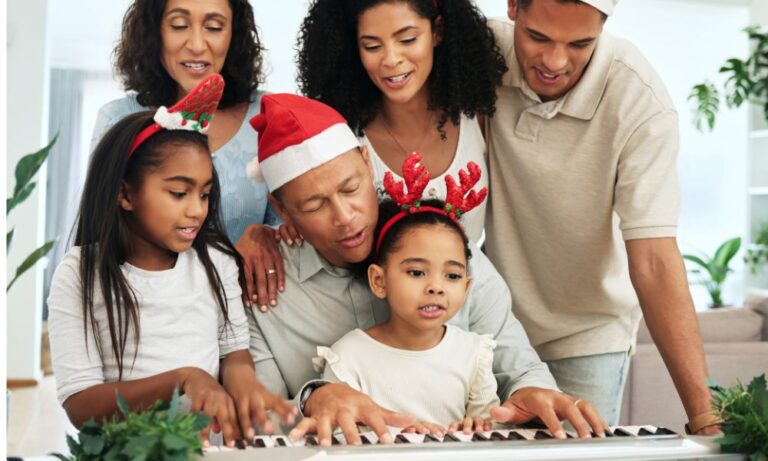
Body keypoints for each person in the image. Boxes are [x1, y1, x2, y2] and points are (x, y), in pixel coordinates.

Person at [245, 93, 608, 447]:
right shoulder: (262, 285)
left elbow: (519, 368)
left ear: (368, 162)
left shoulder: (448, 254)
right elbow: (263, 422)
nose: (345, 217)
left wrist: (533, 394)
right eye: (314, 205)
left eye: (351, 188)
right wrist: (313, 401)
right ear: (281, 209)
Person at [484, 0, 720, 433]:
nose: (555, 62)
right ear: (513, 6)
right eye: (537, 37)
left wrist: (704, 415)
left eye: (579, 44)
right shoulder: (478, 53)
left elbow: (653, 259)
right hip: (490, 327)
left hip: (588, 333)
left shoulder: (639, 100)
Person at [48, 75, 295, 447]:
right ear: (125, 194)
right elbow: (81, 406)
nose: (197, 210)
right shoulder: (80, 273)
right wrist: (183, 378)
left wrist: (246, 390)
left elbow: (234, 353)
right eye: (179, 193)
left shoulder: (216, 261)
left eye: (205, 194)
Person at [90, 0, 284, 311]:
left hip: (251, 318)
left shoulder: (269, 115)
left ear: (234, 34)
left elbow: (298, 223)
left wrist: (265, 235)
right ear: (155, 32)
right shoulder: (118, 120)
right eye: (179, 25)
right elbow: (100, 236)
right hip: (147, 320)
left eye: (214, 27)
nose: (196, 45)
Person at [296, 0, 508, 243]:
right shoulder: (341, 139)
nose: (391, 59)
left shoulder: (476, 114)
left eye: (407, 40)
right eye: (372, 46)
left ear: (437, 32)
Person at [315, 155, 499, 435]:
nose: (435, 287)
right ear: (379, 280)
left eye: (452, 276)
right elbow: (337, 438)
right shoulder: (349, 358)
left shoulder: (474, 354)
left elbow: (494, 431)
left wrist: (478, 426)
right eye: (416, 272)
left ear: (466, 286)